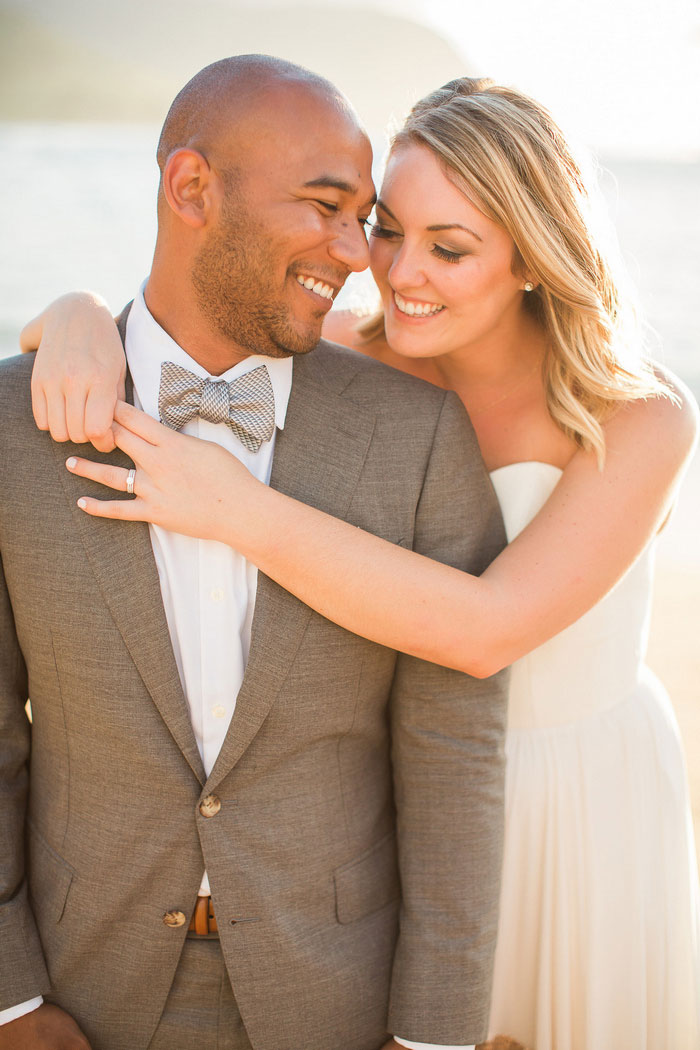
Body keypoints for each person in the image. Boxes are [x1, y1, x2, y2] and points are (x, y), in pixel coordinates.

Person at [25, 77, 700, 1050]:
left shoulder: (641, 416)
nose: (396, 272)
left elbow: (484, 631)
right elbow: (172, 334)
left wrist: (239, 512)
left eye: (449, 247)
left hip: (584, 802)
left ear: (531, 259)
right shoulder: (352, 356)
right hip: (406, 805)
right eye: (388, 229)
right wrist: (76, 313)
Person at [0, 58, 511, 1050]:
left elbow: (455, 760)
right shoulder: (16, 423)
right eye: (325, 207)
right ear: (192, 188)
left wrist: (435, 1034)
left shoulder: (420, 436)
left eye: (360, 217)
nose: (357, 256)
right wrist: (9, 998)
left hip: (340, 996)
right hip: (76, 989)